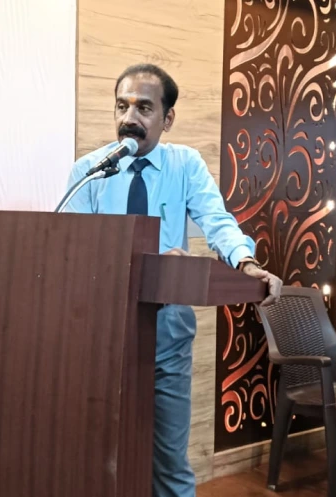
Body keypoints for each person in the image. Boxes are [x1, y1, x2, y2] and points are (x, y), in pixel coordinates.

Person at [63, 63, 283, 497]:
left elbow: (217, 220)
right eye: (122, 106)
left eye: (144, 108)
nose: (130, 117)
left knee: (168, 461)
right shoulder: (89, 171)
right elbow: (73, 252)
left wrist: (245, 262)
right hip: (101, 330)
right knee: (97, 456)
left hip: (167, 328)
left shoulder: (185, 164)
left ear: (167, 119)